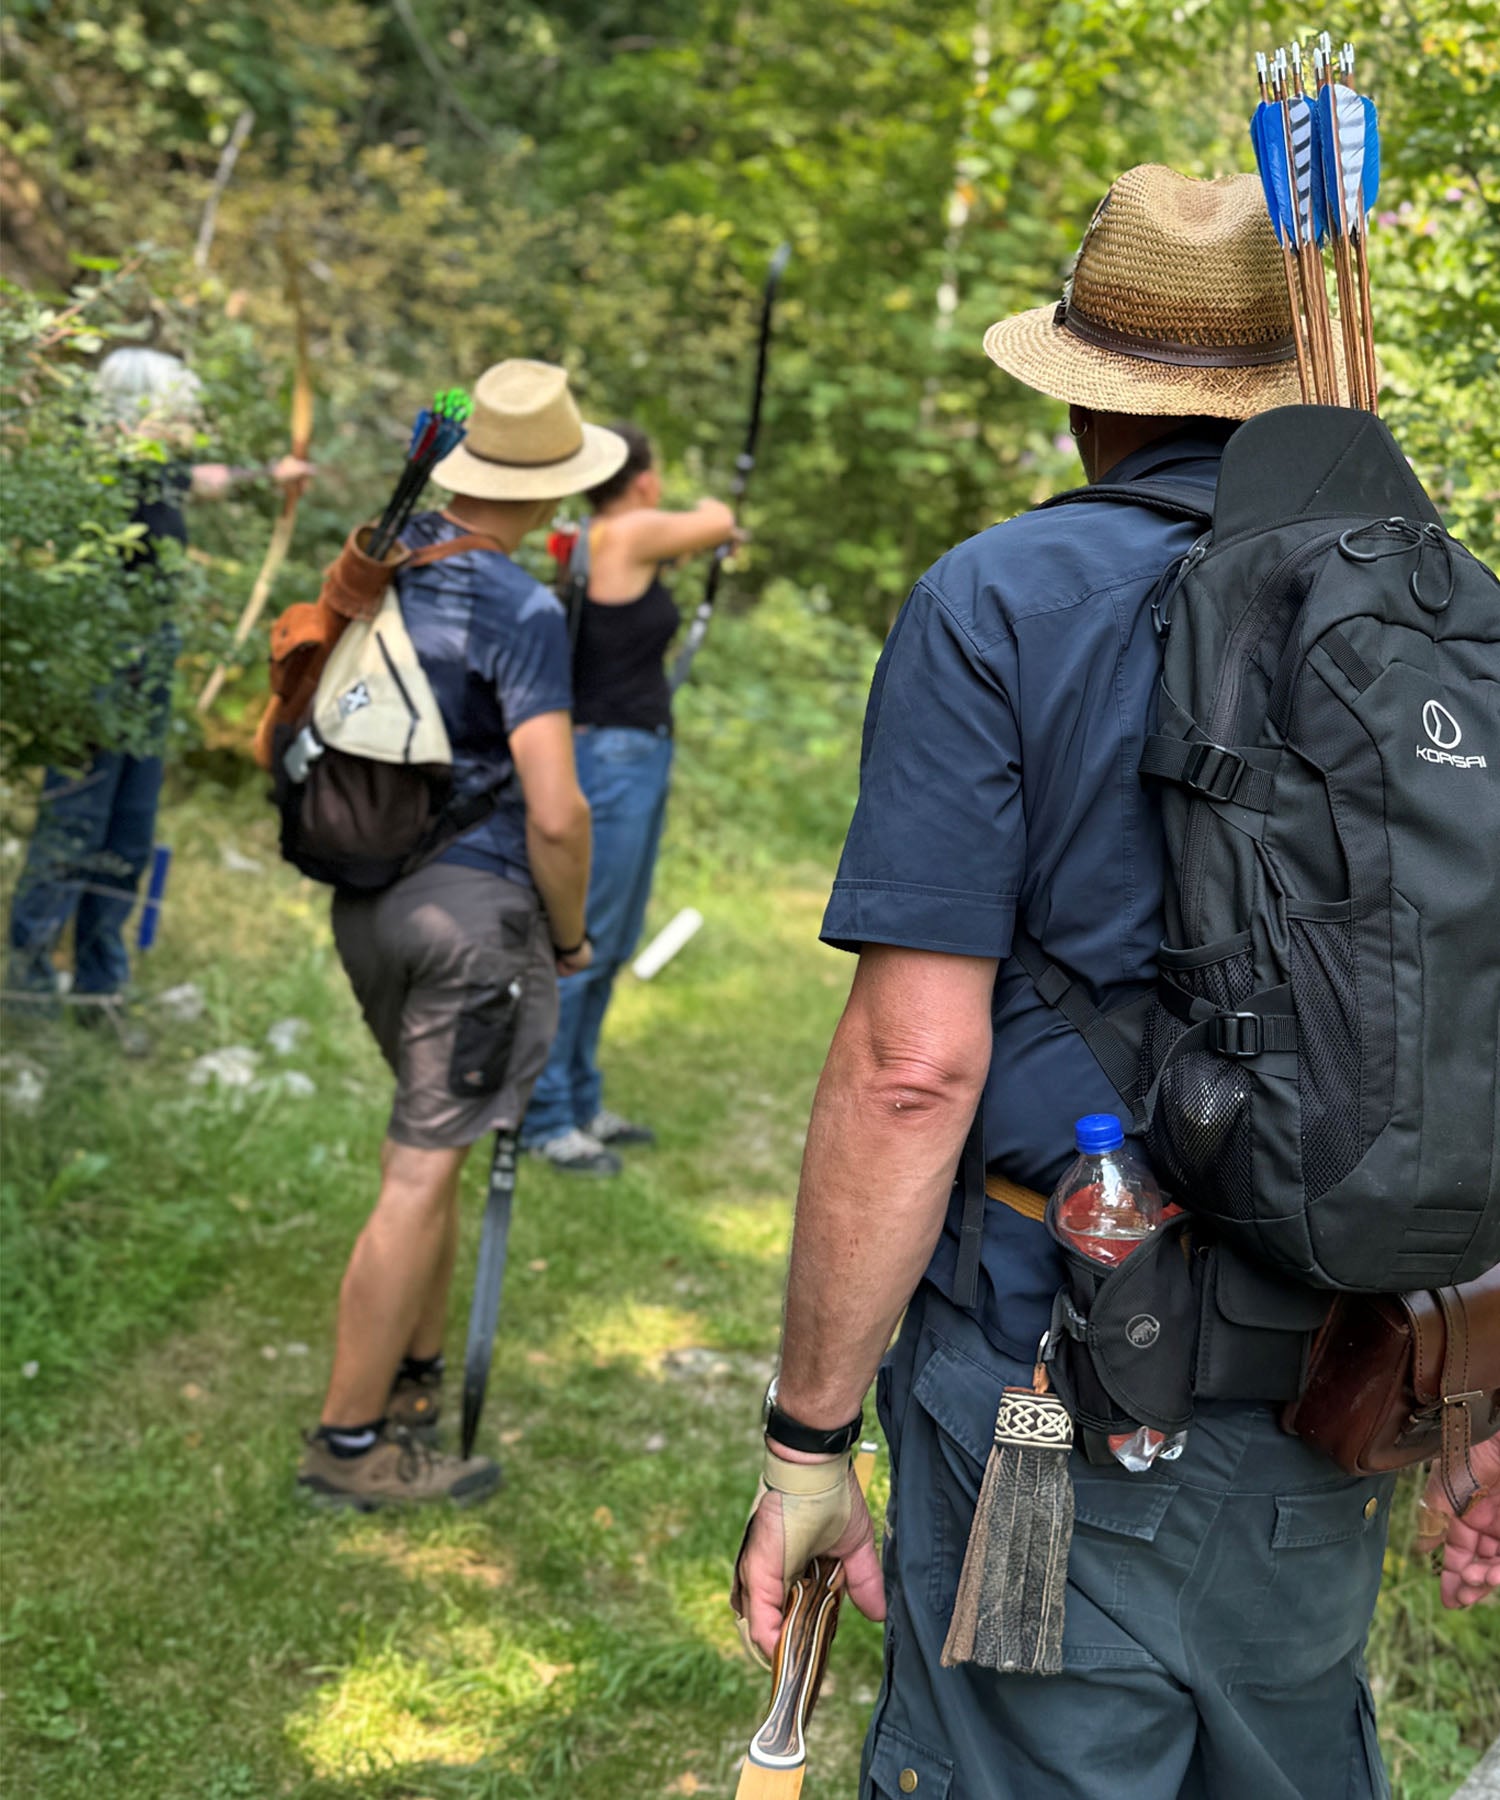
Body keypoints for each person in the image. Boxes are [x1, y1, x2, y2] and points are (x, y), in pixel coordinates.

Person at [731, 166, 1495, 1799]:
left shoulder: (999, 601)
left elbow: (913, 1069)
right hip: (1333, 1382)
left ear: (1087, 400)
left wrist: (807, 1443)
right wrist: (1478, 1381)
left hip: (1051, 1385)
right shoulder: (1437, 614)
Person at [297, 360, 626, 1509]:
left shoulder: (385, 564)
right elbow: (557, 812)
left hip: (368, 902)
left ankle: (414, 1382)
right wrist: (571, 937)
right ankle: (347, 1449)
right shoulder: (517, 606)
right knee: (419, 1170)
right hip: (473, 921)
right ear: (551, 483)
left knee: (426, 1149)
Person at [5, 348, 312, 1046]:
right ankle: (27, 994)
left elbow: (197, 477)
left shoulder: (156, 469)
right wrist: (260, 475)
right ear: (139, 407)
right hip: (97, 658)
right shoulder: (105, 466)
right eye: (175, 408)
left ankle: (101, 992)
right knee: (74, 824)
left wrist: (268, 476)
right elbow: (177, 474)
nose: (187, 421)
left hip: (149, 653)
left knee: (129, 829)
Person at [520, 425, 736, 1176]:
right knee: (582, 938)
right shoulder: (630, 531)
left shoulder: (596, 539)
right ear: (641, 478)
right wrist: (711, 522)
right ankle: (546, 1117)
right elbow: (718, 518)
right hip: (612, 758)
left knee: (609, 937)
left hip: (621, 752)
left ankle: (580, 1100)